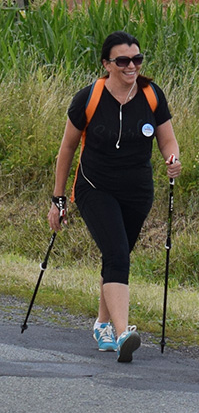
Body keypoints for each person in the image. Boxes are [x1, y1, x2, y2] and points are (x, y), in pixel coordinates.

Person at [48, 31, 181, 363]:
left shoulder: (151, 95)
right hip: (95, 187)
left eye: (137, 59)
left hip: (137, 192)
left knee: (117, 257)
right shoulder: (89, 98)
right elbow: (66, 150)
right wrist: (59, 200)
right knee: (118, 253)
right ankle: (124, 334)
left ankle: (102, 324)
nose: (131, 66)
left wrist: (173, 160)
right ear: (107, 64)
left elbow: (168, 141)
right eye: (123, 60)